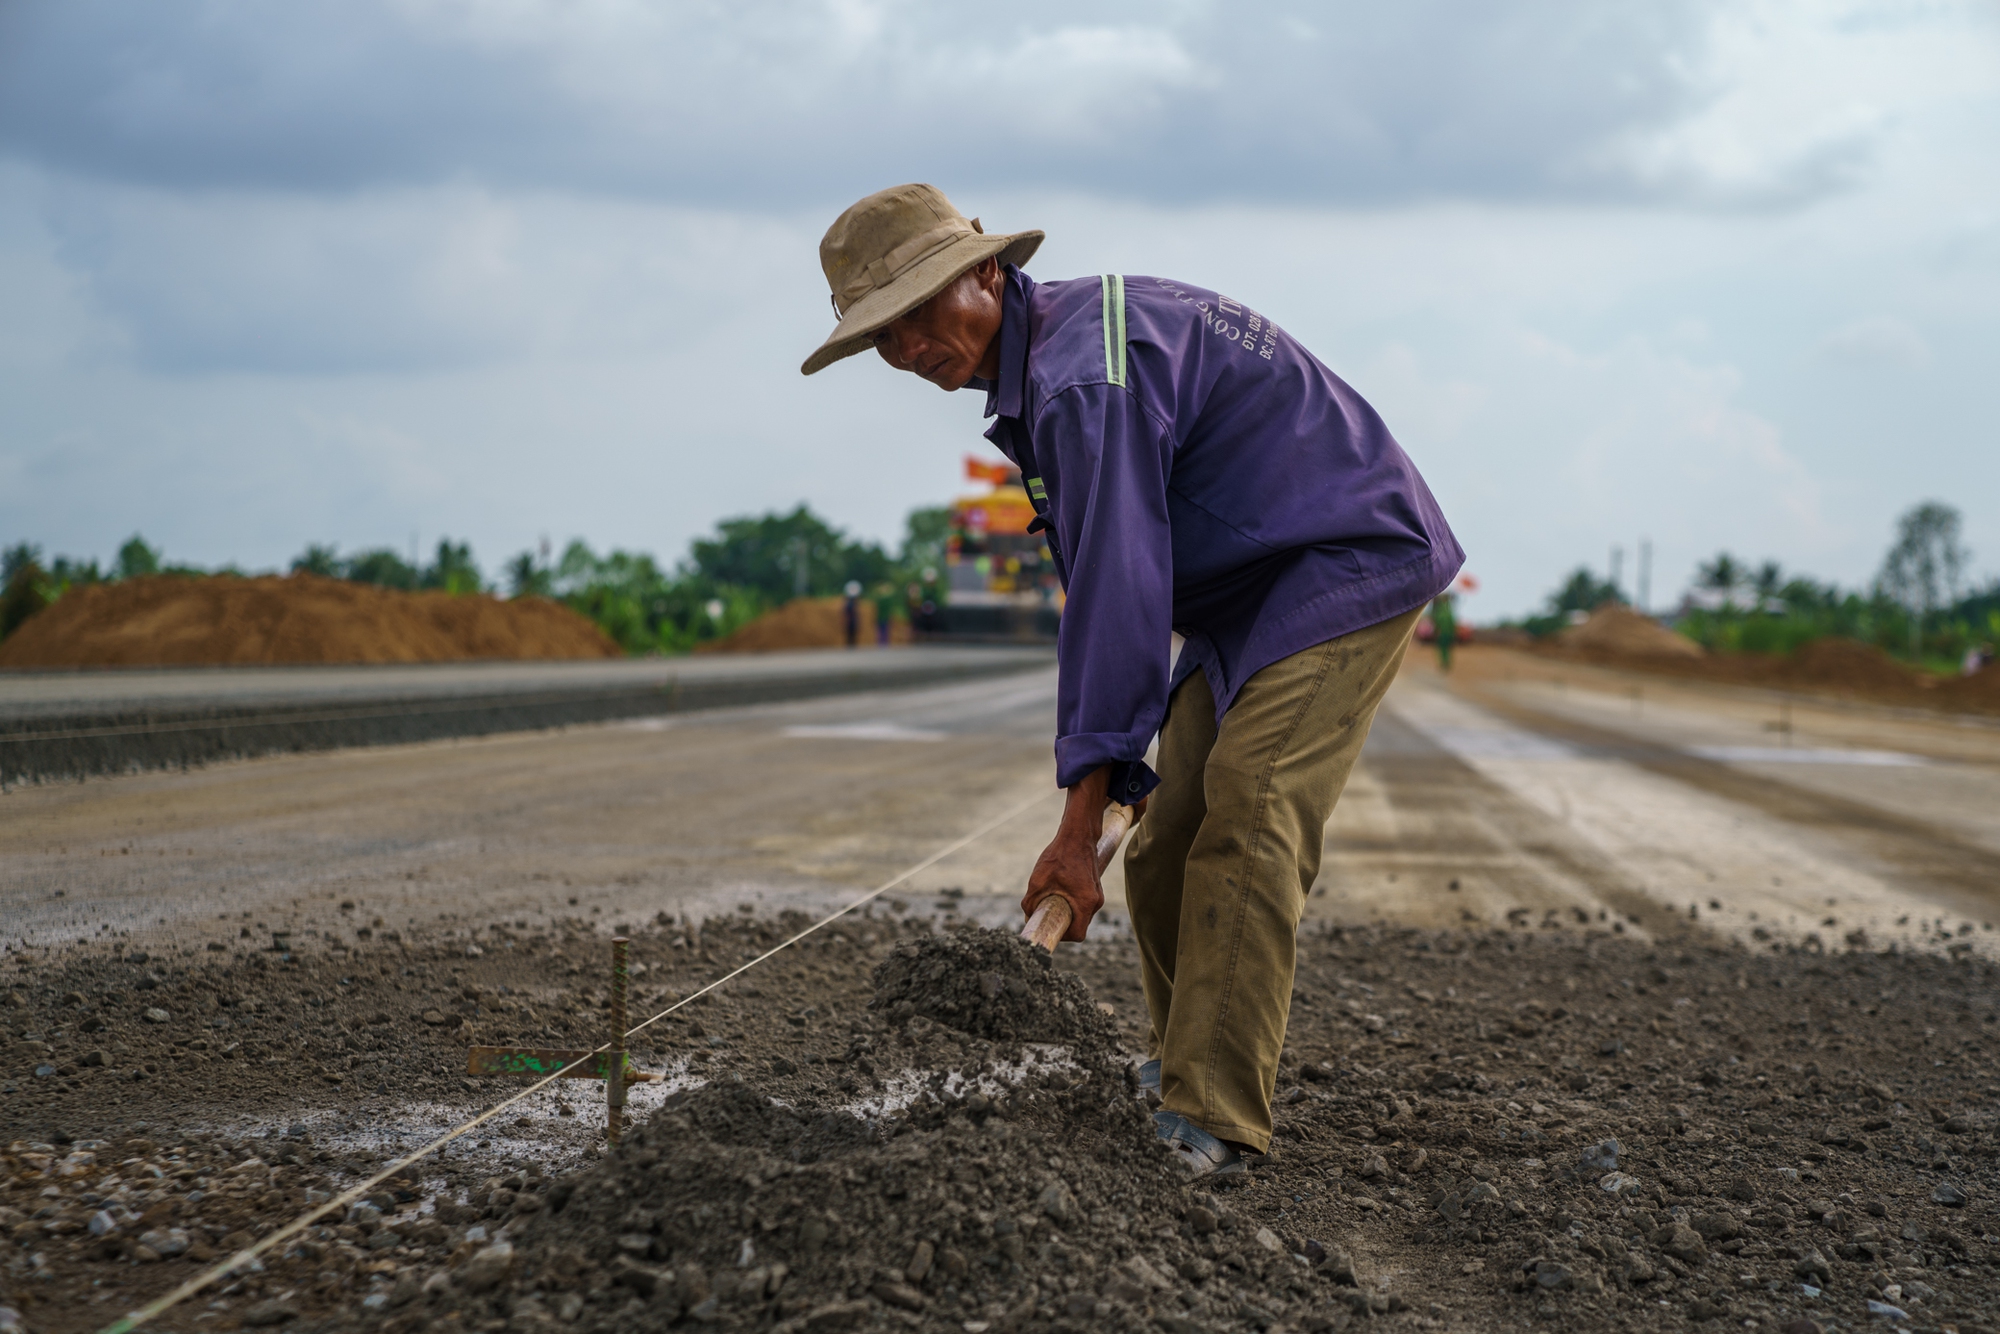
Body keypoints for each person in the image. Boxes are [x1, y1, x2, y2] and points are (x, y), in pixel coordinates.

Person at [801, 184, 1462, 1176]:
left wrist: (1074, 827)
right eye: (882, 338)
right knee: (1165, 839)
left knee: (1248, 808)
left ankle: (1212, 1112)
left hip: (1341, 558)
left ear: (985, 270)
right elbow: (1119, 584)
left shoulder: (1076, 379)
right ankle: (1180, 1063)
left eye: (916, 312)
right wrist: (1103, 802)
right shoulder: (1054, 359)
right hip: (1247, 589)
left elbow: (1115, 593)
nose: (906, 349)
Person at [1429, 592, 1458, 672]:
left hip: (1442, 635)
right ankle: (1446, 663)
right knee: (1447, 650)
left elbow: (1436, 624)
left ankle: (1444, 663)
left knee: (1442, 650)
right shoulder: (1449, 612)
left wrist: (1435, 633)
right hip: (1448, 634)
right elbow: (1452, 624)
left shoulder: (1439, 613)